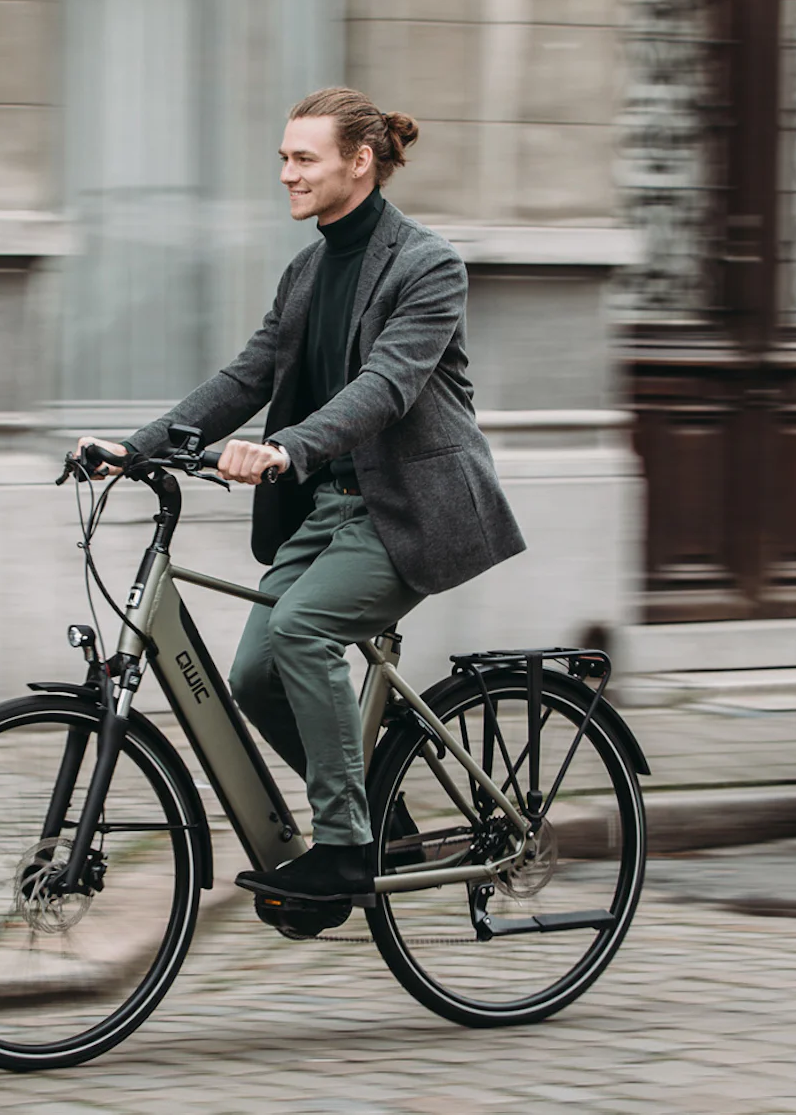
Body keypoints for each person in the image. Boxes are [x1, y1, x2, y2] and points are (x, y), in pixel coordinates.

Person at [76, 87, 525, 906]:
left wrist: (284, 449)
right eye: (284, 157)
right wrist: (135, 448)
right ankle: (378, 816)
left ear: (360, 161)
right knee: (253, 676)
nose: (286, 173)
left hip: (411, 511)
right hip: (329, 511)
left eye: (302, 158)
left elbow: (385, 387)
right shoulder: (309, 269)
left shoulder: (427, 265)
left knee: (302, 630)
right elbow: (247, 376)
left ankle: (347, 849)